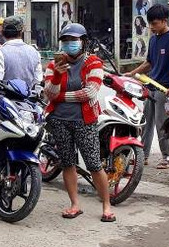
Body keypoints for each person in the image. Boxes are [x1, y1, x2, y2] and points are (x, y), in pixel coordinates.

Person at [44, 23, 115, 223]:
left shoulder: (93, 62)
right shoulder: (54, 65)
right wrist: (57, 75)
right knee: (67, 163)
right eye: (66, 41)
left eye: (74, 41)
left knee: (93, 164)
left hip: (84, 120)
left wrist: (60, 97)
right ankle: (75, 204)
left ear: (83, 42)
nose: (69, 44)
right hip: (59, 120)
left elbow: (90, 92)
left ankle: (106, 205)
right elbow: (49, 93)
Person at [125, 5, 169, 169]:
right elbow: (149, 63)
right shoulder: (153, 39)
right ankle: (143, 156)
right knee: (145, 122)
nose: (151, 27)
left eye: (154, 24)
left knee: (163, 124)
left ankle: (168, 157)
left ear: (164, 21)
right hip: (151, 87)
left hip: (165, 88)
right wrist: (131, 73)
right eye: (150, 24)